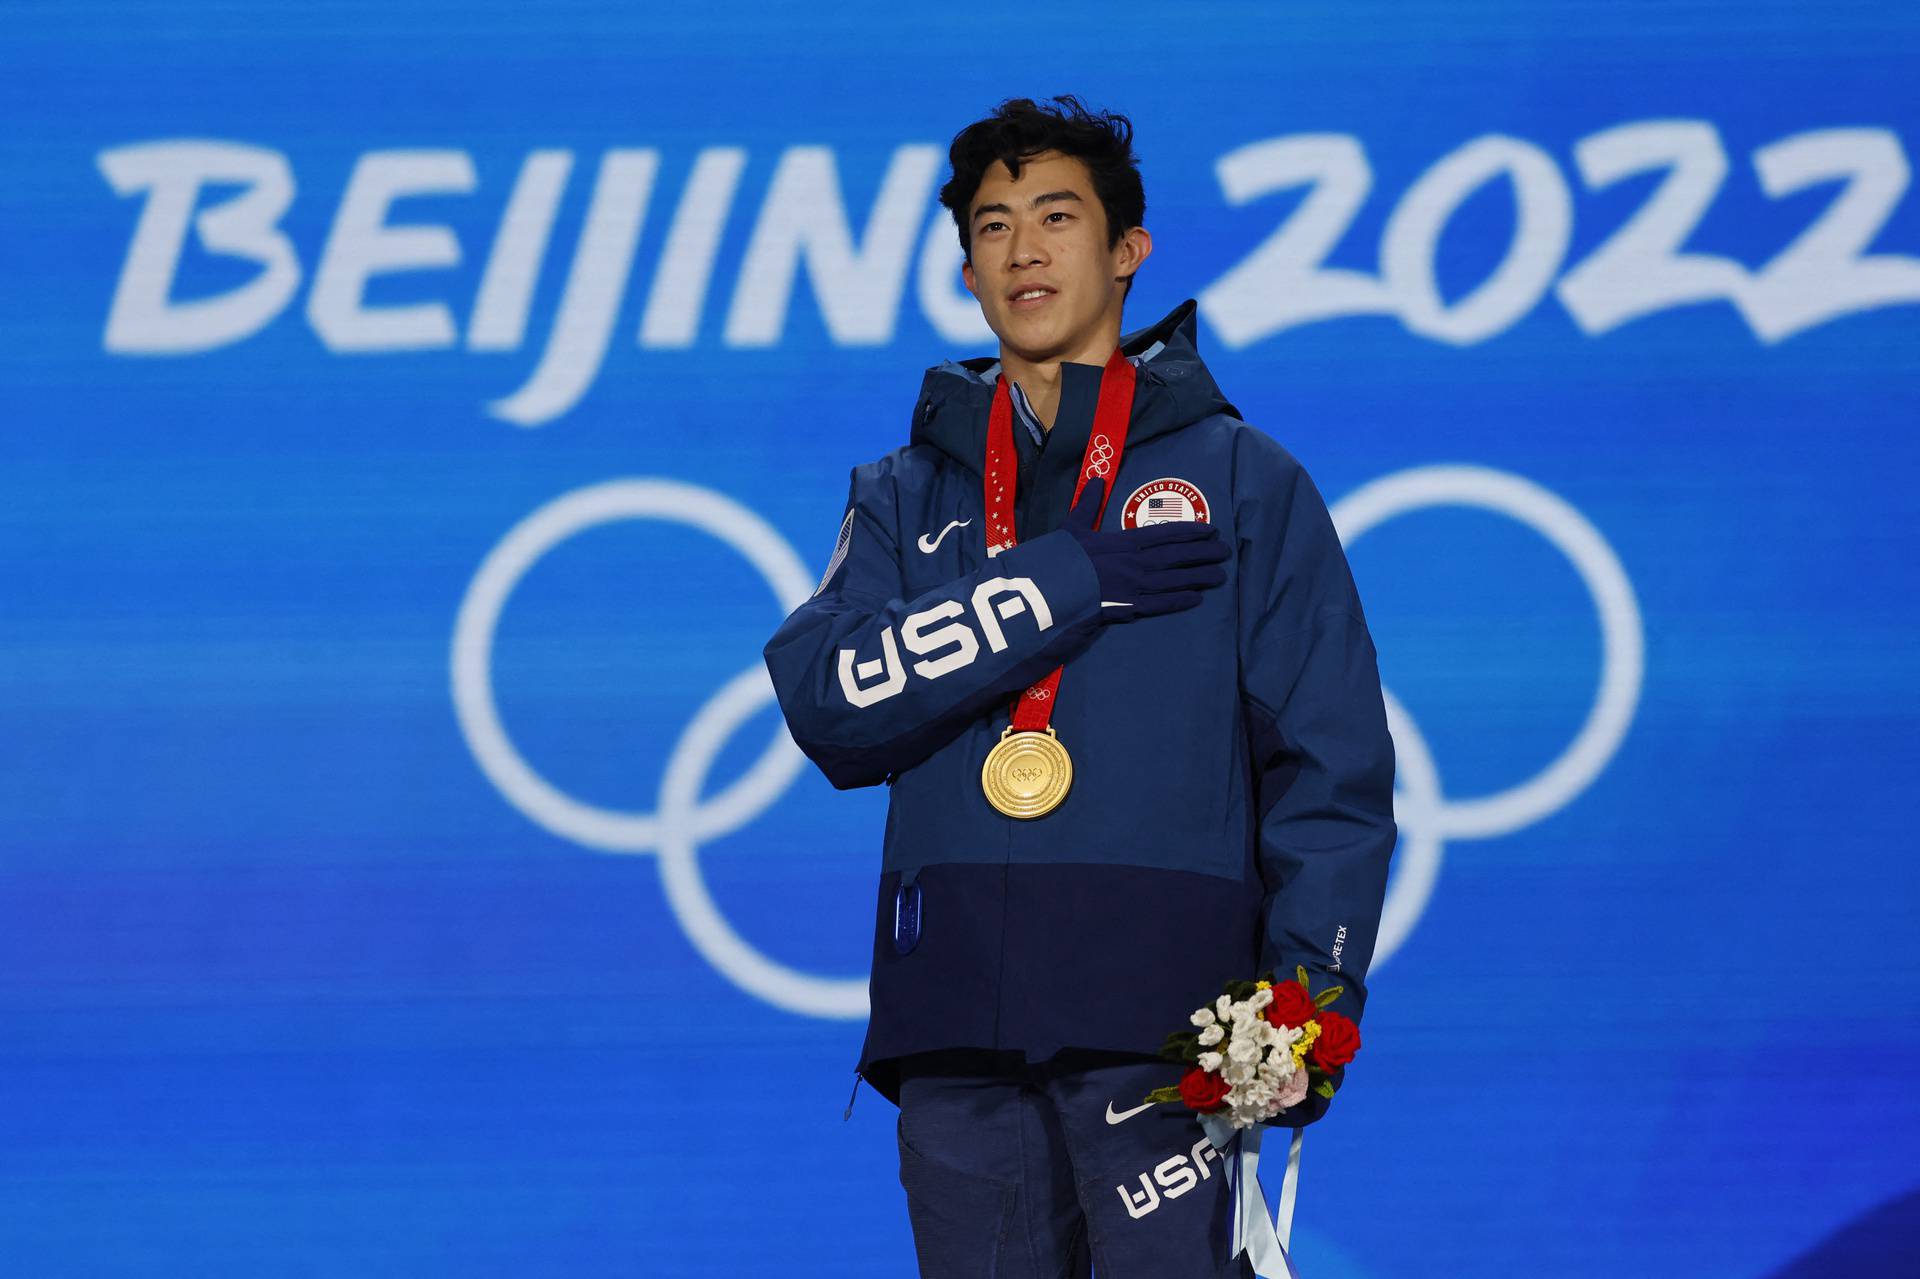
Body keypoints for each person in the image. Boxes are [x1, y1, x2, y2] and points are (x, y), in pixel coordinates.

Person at [761, 95, 1397, 1278]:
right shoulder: (904, 492)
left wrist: (1306, 1004)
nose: (1026, 250)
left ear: (1126, 253)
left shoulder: (1246, 481)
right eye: (994, 227)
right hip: (957, 1024)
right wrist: (1066, 580)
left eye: (1058, 216)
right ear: (966, 270)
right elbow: (828, 697)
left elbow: (1332, 769)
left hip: (1172, 1031)